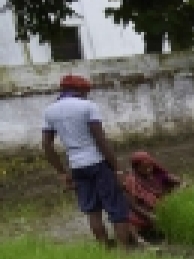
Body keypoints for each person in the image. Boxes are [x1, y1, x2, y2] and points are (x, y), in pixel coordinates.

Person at [41, 74, 138, 249]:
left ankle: (104, 250)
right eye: (86, 91)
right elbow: (100, 139)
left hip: (76, 166)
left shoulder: (50, 111)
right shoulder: (88, 106)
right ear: (79, 90)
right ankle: (124, 253)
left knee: (92, 211)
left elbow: (47, 146)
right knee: (116, 208)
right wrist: (117, 169)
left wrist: (62, 173)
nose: (87, 95)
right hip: (98, 162)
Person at [122, 151, 182, 242]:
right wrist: (150, 216)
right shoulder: (131, 182)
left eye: (150, 166)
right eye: (145, 167)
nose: (149, 169)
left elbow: (180, 183)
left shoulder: (158, 174)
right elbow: (133, 205)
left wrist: (181, 188)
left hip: (161, 208)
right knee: (127, 219)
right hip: (142, 212)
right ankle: (139, 241)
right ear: (136, 168)